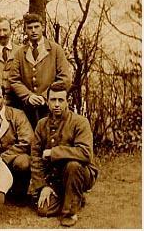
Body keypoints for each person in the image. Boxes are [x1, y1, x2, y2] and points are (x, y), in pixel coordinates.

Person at [28, 83, 98, 227]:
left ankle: (70, 211)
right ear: (47, 102)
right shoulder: (42, 124)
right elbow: (35, 158)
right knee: (43, 210)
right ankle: (73, 196)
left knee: (73, 165)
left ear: (67, 101)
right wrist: (43, 186)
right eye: (53, 100)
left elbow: (85, 153)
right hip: (55, 177)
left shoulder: (80, 122)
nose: (57, 105)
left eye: (61, 100)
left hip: (80, 172)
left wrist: (54, 152)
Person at [9, 13, 72, 128]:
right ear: (25, 30)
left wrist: (45, 97)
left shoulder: (56, 50)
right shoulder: (20, 53)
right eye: (29, 28)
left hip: (51, 108)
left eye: (36, 27)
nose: (33, 31)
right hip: (27, 109)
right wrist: (28, 96)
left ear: (42, 28)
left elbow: (65, 78)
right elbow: (14, 79)